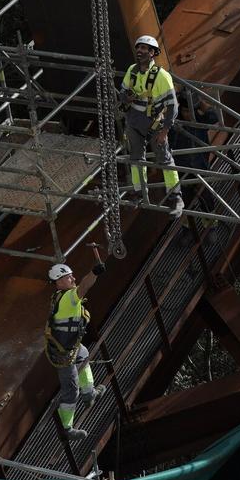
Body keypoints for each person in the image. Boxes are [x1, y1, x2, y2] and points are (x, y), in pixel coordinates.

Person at [120, 34, 183, 217]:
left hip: (155, 125)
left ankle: (176, 197)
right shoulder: (132, 71)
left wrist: (165, 131)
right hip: (134, 123)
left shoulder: (162, 77)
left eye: (144, 49)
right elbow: (123, 93)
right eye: (138, 48)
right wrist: (127, 97)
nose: (139, 51)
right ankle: (138, 193)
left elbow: (173, 106)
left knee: (164, 159)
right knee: (136, 159)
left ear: (153, 53)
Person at [45, 261, 107, 441]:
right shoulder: (68, 298)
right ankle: (67, 429)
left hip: (69, 346)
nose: (73, 278)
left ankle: (89, 393)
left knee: (84, 354)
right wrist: (94, 272)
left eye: (71, 275)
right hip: (63, 353)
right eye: (68, 277)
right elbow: (84, 286)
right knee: (71, 391)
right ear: (59, 282)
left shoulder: (58, 296)